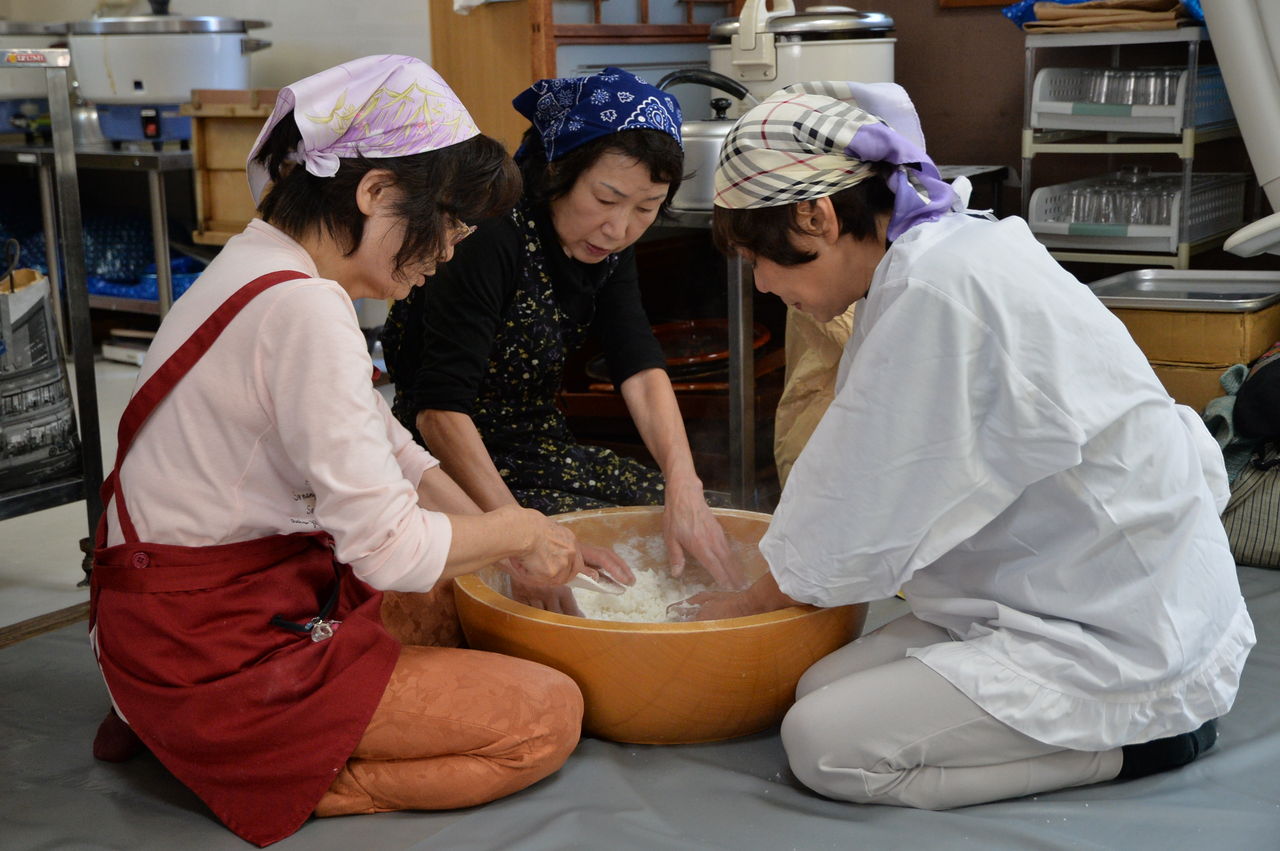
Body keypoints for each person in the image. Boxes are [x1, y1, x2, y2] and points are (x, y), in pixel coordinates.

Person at [688, 80, 1256, 809]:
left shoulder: (939, 286)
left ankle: (1136, 745)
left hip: (1117, 618)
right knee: (817, 686)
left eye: (758, 259)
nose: (764, 284)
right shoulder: (940, 252)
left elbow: (858, 498)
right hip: (1039, 584)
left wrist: (740, 605)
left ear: (815, 214)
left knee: (823, 745)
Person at [88, 56, 595, 847]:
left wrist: (501, 538)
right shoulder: (307, 307)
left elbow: (391, 446)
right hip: (206, 647)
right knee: (549, 715)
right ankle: (258, 765)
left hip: (162, 616)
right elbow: (388, 550)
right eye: (450, 224)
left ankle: (209, 736)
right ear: (377, 192)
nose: (450, 251)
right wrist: (521, 530)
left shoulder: (262, 259)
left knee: (459, 595)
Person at [381, 66, 744, 614]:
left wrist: (684, 485)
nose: (620, 228)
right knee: (568, 572)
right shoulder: (489, 233)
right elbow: (439, 413)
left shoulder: (607, 244)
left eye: (646, 208)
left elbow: (637, 361)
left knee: (714, 516)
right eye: (606, 198)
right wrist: (520, 537)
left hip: (542, 450)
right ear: (558, 172)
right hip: (449, 465)